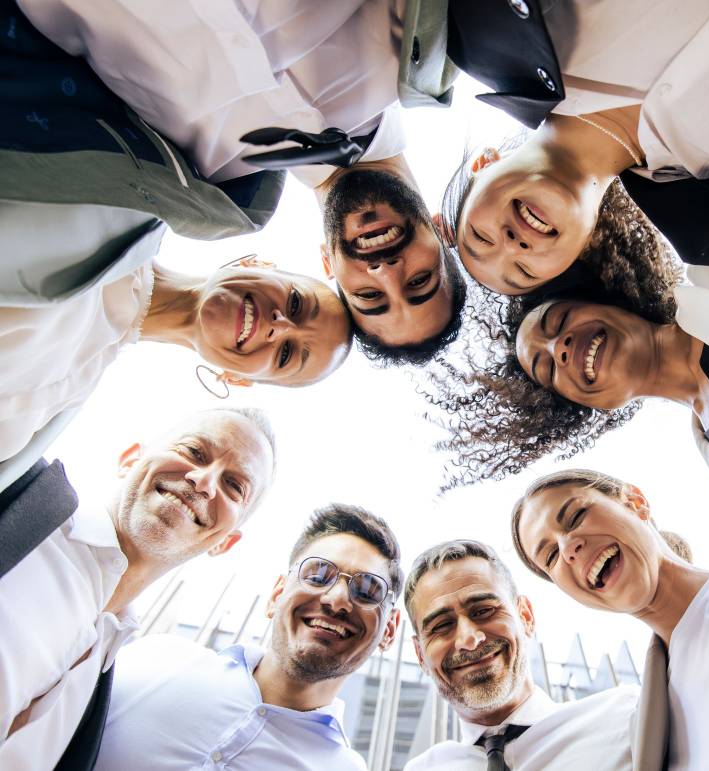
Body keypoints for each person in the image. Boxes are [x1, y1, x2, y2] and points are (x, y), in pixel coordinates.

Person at [13, 0, 572, 362]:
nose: (384, 271)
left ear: (329, 268)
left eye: (369, 296)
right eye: (419, 282)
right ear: (444, 232)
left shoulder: (205, 183)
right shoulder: (425, 47)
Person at [427, 286, 709, 601]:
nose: (560, 347)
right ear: (579, 403)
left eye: (559, 322)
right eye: (549, 369)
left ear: (603, 297)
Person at [439, 0, 709, 296]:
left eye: (481, 237)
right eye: (524, 271)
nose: (512, 246)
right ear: (578, 251)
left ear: (484, 163)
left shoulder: (494, 27)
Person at [0, 407, 277, 771]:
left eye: (234, 486)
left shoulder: (107, 674)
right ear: (130, 458)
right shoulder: (16, 493)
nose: (204, 482)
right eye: (194, 452)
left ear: (224, 542)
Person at [511, 469, 709, 770]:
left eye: (576, 516)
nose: (568, 548)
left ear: (635, 502)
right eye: (551, 557)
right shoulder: (648, 734)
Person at [0, 253, 350, 493]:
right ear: (258, 263)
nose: (280, 326)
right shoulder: (122, 210)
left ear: (236, 378)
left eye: (286, 354)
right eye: (295, 304)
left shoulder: (56, 399)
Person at [93, 503, 403, 771]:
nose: (336, 599)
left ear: (389, 631)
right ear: (277, 595)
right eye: (319, 574)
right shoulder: (156, 660)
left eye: (367, 590)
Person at [403, 539, 638, 770]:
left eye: (484, 610)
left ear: (526, 617)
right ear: (420, 655)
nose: (469, 640)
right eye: (441, 625)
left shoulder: (626, 718)